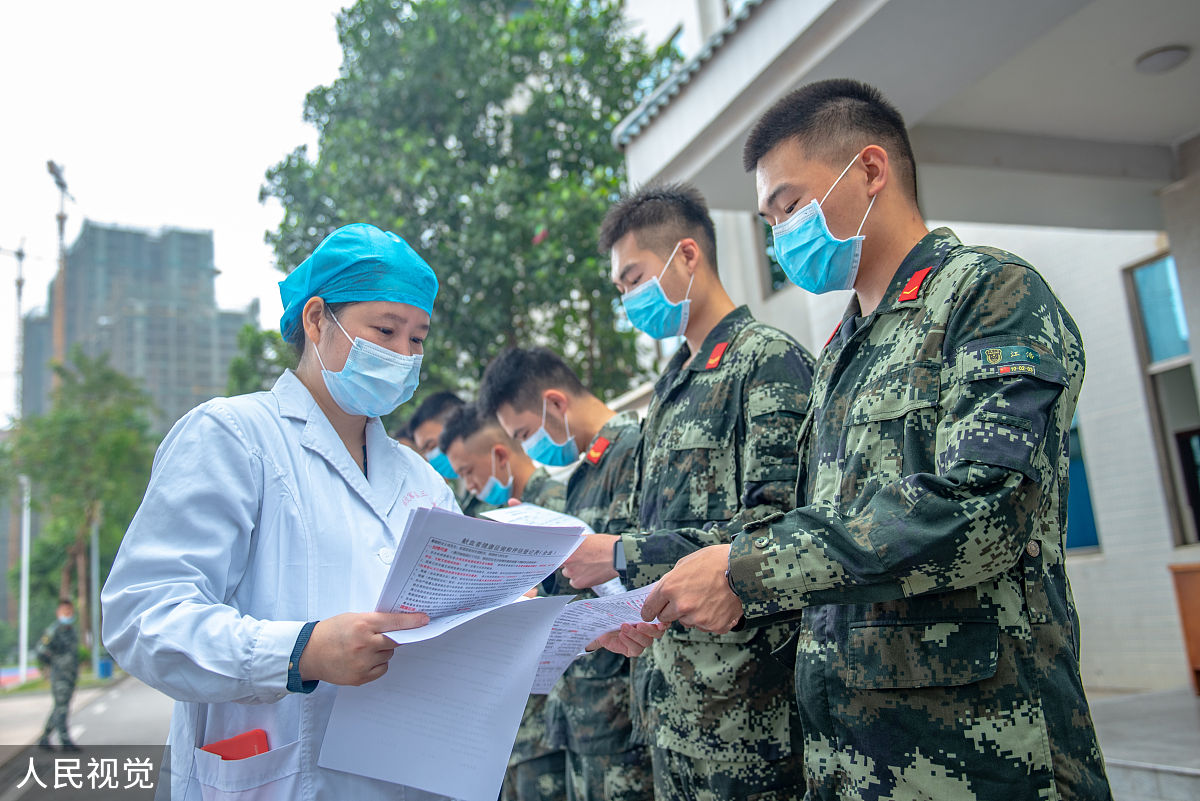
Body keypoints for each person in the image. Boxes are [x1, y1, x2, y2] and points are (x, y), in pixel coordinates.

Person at [643, 78, 1113, 800]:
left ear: (869, 170)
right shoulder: (837, 356)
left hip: (983, 760)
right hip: (852, 765)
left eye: (790, 205)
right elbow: (809, 537)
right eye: (768, 222)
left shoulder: (990, 297)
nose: (779, 238)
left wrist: (748, 568)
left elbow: (983, 509)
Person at [102, 223, 660, 800]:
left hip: (410, 775)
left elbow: (459, 630)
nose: (403, 355)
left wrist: (569, 631)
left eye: (417, 339)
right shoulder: (234, 437)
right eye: (385, 330)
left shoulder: (419, 479)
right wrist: (303, 651)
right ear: (317, 320)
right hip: (280, 776)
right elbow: (143, 617)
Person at [563, 183, 814, 801]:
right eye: (620, 288)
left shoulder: (766, 362)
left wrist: (624, 554)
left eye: (633, 278)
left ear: (687, 257)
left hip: (749, 720)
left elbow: (779, 526)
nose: (628, 299)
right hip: (672, 713)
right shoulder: (672, 386)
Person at [479, 346, 653, 801]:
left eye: (526, 433)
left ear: (555, 403)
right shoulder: (587, 469)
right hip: (586, 715)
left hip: (624, 716)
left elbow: (646, 572)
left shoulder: (636, 450)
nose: (527, 448)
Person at [438, 401, 569, 801]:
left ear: (498, 455)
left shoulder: (557, 505)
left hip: (551, 718)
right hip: (505, 718)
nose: (469, 486)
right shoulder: (492, 517)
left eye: (467, 473)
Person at [409, 390, 495, 517]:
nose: (429, 457)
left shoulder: (504, 483)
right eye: (425, 451)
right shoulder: (472, 492)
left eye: (431, 446)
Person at [37, 599, 80, 752]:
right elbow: (41, 650)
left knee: (60, 707)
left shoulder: (72, 630)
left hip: (70, 676)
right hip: (60, 676)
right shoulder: (53, 631)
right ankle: (65, 741)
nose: (68, 615)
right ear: (58, 613)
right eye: (65, 612)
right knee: (61, 708)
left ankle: (44, 738)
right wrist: (53, 664)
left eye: (70, 611)